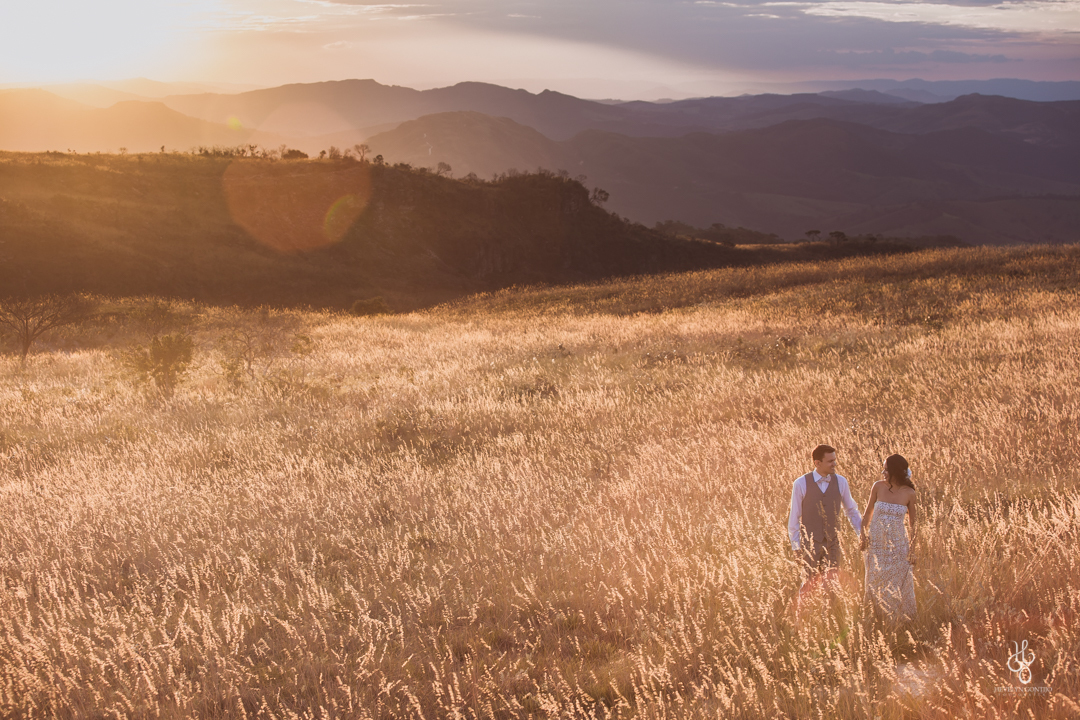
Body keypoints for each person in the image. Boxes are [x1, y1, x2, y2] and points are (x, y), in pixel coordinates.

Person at [788, 444, 863, 578]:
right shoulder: (800, 483)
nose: (835, 464)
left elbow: (851, 511)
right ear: (817, 463)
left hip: (832, 544)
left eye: (835, 460)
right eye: (830, 461)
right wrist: (796, 547)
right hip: (809, 545)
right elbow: (795, 516)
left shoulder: (841, 482)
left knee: (832, 584)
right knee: (809, 584)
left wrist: (861, 534)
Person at [859, 454, 917, 622]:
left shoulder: (909, 493)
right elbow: (867, 514)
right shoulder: (878, 486)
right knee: (875, 580)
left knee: (897, 581)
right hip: (876, 544)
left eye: (886, 469)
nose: (883, 472)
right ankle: (875, 618)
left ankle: (897, 620)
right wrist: (863, 536)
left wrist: (912, 550)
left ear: (895, 471)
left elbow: (914, 525)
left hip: (898, 545)